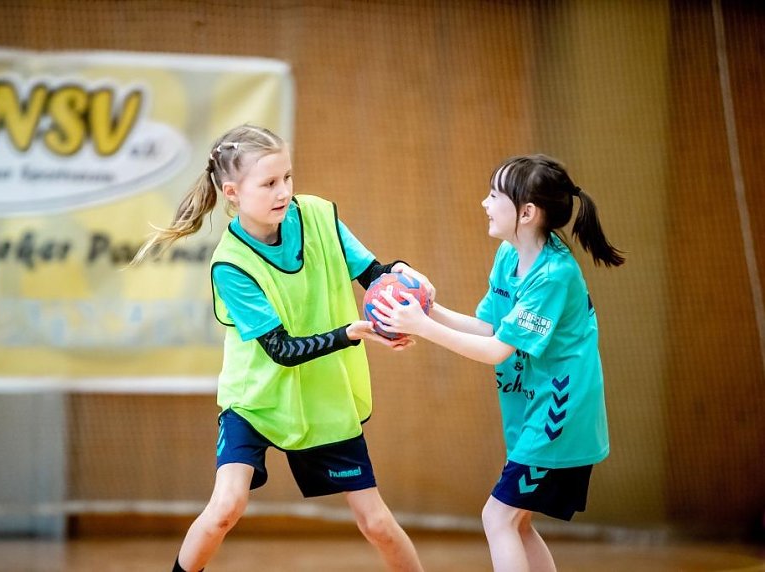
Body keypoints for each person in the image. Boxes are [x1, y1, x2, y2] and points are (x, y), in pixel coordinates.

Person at [133, 124, 430, 572]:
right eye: (269, 182)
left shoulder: (317, 216)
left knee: (376, 523)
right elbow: (282, 350)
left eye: (287, 177)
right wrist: (349, 334)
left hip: (323, 394)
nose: (284, 191)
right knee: (225, 508)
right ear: (232, 193)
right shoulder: (231, 264)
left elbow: (373, 273)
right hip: (256, 399)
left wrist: (402, 275)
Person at [371, 154, 624, 571]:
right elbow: (489, 328)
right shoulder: (509, 256)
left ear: (527, 212)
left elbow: (496, 351)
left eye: (494, 195)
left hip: (559, 417)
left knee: (498, 517)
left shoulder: (553, 274)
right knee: (516, 523)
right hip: (531, 410)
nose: (484, 203)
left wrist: (422, 326)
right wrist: (426, 307)